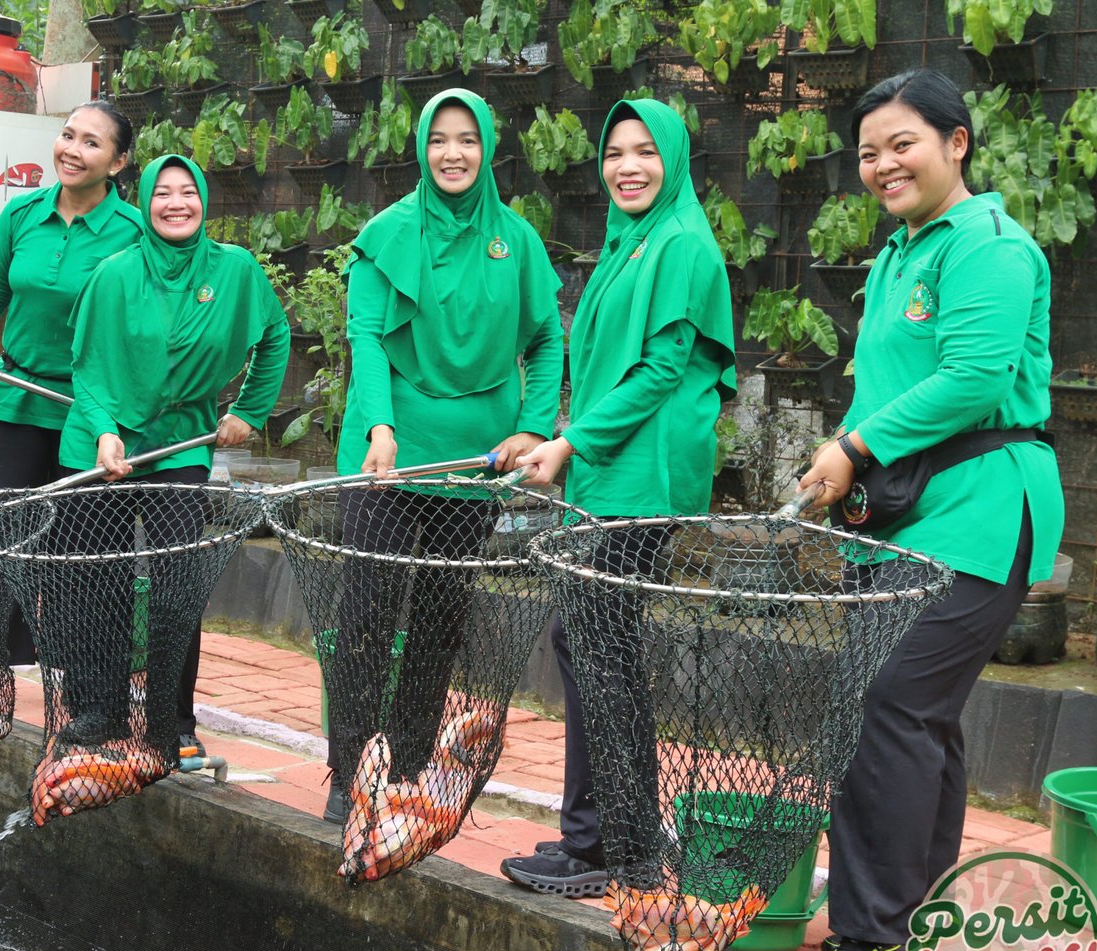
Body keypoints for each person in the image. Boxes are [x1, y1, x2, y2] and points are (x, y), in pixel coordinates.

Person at [789, 68, 1062, 951]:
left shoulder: (990, 246)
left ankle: (873, 941)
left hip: (983, 514)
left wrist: (852, 446)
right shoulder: (900, 252)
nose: (882, 164)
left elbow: (978, 379)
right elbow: (888, 386)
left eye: (902, 142)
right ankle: (909, 915)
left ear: (957, 142)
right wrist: (849, 471)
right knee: (917, 718)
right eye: (867, 152)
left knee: (885, 708)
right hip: (909, 516)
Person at [500, 98, 736, 897]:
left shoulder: (680, 244)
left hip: (644, 480)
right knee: (597, 649)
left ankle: (607, 846)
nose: (627, 167)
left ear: (674, 160)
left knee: (596, 647)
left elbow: (664, 372)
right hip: (610, 472)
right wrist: (569, 439)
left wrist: (570, 443)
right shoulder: (632, 242)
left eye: (645, 152)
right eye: (614, 153)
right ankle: (614, 839)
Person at [322, 88, 564, 824]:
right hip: (387, 456)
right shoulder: (387, 234)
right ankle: (350, 772)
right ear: (422, 149)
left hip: (477, 460)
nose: (453, 153)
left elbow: (548, 339)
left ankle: (412, 761)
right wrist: (379, 429)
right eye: (439, 140)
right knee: (364, 613)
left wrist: (531, 425)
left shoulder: (515, 240)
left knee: (438, 615)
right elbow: (366, 336)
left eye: (467, 139)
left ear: (488, 149)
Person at [52, 153, 289, 762]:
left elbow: (275, 337)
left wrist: (249, 412)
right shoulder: (114, 275)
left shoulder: (234, 271)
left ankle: (171, 719)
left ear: (204, 202)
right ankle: (97, 710)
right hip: (102, 441)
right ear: (146, 202)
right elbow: (90, 367)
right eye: (163, 193)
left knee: (176, 584)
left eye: (188, 192)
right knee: (95, 582)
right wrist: (106, 433)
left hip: (182, 441)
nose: (176, 203)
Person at [0, 100, 142, 704]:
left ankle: (82, 683)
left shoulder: (135, 234)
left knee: (78, 549)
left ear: (118, 162)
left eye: (91, 143)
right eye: (67, 135)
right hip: (15, 400)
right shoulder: (20, 214)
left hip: (88, 415)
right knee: (1, 538)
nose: (72, 149)